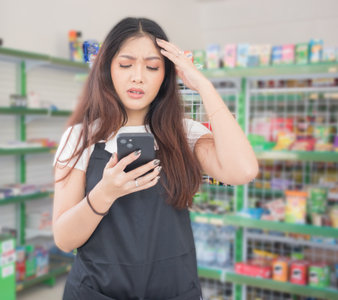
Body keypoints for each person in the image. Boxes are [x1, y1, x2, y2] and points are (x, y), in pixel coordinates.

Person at [52, 17, 258, 300]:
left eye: (152, 67)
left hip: (174, 291)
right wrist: (104, 193)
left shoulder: (185, 134)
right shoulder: (81, 137)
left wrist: (204, 87)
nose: (138, 76)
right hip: (96, 291)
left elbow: (243, 170)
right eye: (126, 64)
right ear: (108, 68)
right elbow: (64, 239)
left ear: (166, 76)